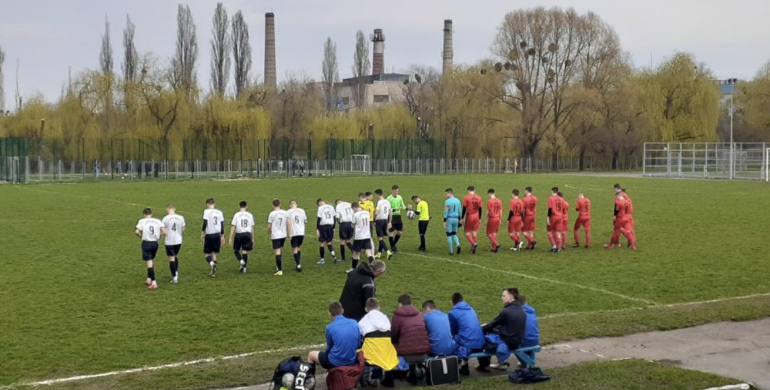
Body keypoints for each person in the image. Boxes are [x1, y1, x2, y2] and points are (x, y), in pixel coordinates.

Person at [482, 287, 527, 371]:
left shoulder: (507, 311)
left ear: (510, 297)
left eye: (503, 296)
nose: (501, 298)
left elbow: (492, 324)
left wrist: (482, 329)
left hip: (507, 342)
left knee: (485, 338)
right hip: (517, 342)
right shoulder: (522, 310)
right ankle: (501, 362)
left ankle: (484, 365)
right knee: (493, 330)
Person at [358, 298, 400, 387]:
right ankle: (389, 380)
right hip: (387, 353)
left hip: (371, 353)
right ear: (379, 308)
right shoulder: (386, 319)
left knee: (360, 353)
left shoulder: (362, 321)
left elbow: (360, 337)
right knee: (388, 351)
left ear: (366, 309)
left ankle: (364, 380)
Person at [307, 302, 360, 370]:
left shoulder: (329, 327)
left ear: (329, 313)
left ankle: (310, 379)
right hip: (351, 360)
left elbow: (329, 347)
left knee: (311, 355)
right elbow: (358, 344)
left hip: (336, 362)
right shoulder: (354, 323)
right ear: (343, 310)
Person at [392, 294, 431, 384]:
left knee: (399, 345)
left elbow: (394, 336)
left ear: (400, 305)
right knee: (415, 343)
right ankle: (418, 371)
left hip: (407, 355)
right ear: (411, 303)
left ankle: (406, 372)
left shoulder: (397, 317)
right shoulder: (420, 315)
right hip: (424, 353)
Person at [448, 292, 487, 375]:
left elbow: (452, 331)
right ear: (464, 300)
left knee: (453, 341)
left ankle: (463, 366)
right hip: (480, 343)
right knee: (467, 336)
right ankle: (483, 365)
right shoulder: (471, 309)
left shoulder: (452, 313)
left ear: (452, 302)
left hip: (467, 345)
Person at [135, 208, 165, 289]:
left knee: (149, 262)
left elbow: (137, 231)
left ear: (144, 214)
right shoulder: (157, 220)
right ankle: (149, 279)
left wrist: (141, 236)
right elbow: (164, 232)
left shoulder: (142, 221)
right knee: (151, 260)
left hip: (146, 243)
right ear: (151, 214)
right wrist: (160, 236)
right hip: (155, 243)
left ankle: (154, 282)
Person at [228, 201, 255, 274]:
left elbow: (233, 226)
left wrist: (230, 237)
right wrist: (252, 238)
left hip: (239, 234)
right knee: (245, 251)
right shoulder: (250, 215)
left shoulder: (236, 214)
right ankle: (244, 268)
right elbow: (252, 227)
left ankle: (241, 261)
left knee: (236, 250)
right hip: (247, 234)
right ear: (246, 206)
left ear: (239, 206)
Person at [201, 198, 225, 277]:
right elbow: (222, 224)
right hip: (217, 234)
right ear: (214, 203)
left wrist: (202, 233)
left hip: (209, 234)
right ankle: (213, 272)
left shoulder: (206, 212)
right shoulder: (219, 212)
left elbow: (205, 222)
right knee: (214, 252)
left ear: (207, 204)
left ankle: (212, 264)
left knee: (207, 254)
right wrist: (222, 235)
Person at [162, 204, 185, 283]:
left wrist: (162, 234)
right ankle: (176, 272)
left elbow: (163, 230)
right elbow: (183, 229)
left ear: (167, 209)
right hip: (178, 240)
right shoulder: (181, 217)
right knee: (175, 255)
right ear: (174, 209)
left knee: (171, 258)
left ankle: (174, 277)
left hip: (169, 241)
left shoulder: (165, 218)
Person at [267, 198, 290, 275]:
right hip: (283, 235)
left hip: (275, 235)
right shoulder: (285, 212)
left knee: (277, 252)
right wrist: (289, 233)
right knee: (280, 250)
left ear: (272, 205)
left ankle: (279, 270)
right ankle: (278, 266)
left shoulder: (272, 214)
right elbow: (288, 223)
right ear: (280, 204)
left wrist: (268, 233)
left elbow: (269, 225)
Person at [350, 202, 375, 272]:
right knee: (369, 253)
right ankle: (373, 268)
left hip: (359, 237)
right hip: (367, 235)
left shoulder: (355, 215)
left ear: (354, 208)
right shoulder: (367, 213)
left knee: (355, 253)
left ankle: (353, 269)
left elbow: (352, 225)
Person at [461, 186, 483, 254]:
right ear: (474, 190)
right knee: (474, 231)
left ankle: (473, 243)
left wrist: (462, 218)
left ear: (468, 190)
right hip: (476, 215)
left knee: (467, 232)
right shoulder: (479, 197)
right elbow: (480, 209)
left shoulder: (466, 197)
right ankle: (472, 249)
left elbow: (464, 208)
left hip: (470, 216)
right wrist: (479, 218)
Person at [287, 200, 308, 272]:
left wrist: (289, 233)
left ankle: (298, 265)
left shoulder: (288, 212)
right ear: (296, 204)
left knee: (294, 248)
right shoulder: (302, 210)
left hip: (293, 232)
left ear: (290, 205)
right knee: (298, 247)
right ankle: (298, 263)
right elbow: (305, 221)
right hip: (301, 232)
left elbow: (288, 223)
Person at [316, 198, 338, 265]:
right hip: (330, 226)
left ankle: (322, 260)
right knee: (329, 242)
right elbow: (334, 218)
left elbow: (319, 219)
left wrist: (317, 228)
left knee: (322, 243)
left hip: (323, 227)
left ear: (319, 203)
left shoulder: (320, 208)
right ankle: (333, 255)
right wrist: (334, 227)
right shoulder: (331, 207)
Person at [373, 189, 393, 260]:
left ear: (378, 194)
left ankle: (388, 252)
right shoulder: (387, 201)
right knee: (382, 237)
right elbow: (390, 212)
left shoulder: (379, 202)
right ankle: (379, 253)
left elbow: (376, 212)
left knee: (380, 238)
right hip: (385, 220)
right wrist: (389, 222)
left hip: (379, 221)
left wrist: (374, 219)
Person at [387, 185, 407, 253]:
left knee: (399, 232)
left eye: (397, 191)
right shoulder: (389, 199)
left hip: (398, 216)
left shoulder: (400, 197)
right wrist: (395, 209)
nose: (396, 192)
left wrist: (407, 208)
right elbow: (387, 210)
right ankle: (393, 248)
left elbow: (403, 206)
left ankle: (393, 245)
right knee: (391, 232)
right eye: (395, 191)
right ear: (392, 191)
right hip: (391, 216)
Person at [335, 199, 355, 264]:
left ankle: (343, 258)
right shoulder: (349, 203)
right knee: (348, 240)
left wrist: (338, 222)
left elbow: (337, 216)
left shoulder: (338, 206)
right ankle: (355, 253)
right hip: (351, 223)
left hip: (344, 224)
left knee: (342, 241)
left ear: (337, 203)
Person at [443, 188, 462, 255]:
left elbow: (446, 211)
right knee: (454, 233)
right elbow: (460, 211)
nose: (445, 195)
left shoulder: (447, 202)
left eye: (446, 193)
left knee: (449, 235)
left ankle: (451, 251)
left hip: (449, 219)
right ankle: (458, 245)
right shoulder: (458, 200)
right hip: (456, 219)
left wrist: (444, 221)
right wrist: (460, 219)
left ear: (449, 193)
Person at [546, 187, 564, 253]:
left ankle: (553, 245)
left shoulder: (551, 198)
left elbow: (550, 209)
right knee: (558, 232)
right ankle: (558, 248)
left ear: (552, 191)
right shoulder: (561, 199)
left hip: (553, 217)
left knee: (549, 231)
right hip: (560, 217)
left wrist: (548, 218)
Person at [485, 188, 503, 253]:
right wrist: (500, 219)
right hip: (497, 218)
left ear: (489, 193)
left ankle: (496, 244)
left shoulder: (489, 201)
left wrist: (486, 218)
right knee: (494, 233)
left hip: (492, 218)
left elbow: (488, 211)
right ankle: (493, 248)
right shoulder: (499, 201)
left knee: (489, 233)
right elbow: (501, 211)